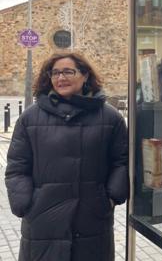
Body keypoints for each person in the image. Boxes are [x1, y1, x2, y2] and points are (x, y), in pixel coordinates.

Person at [5, 52, 128, 261]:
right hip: (42, 220)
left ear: (85, 75)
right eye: (55, 73)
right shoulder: (30, 118)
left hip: (92, 219)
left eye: (68, 71)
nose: (61, 78)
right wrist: (24, 202)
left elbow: (121, 161)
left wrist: (110, 198)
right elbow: (17, 166)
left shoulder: (110, 117)